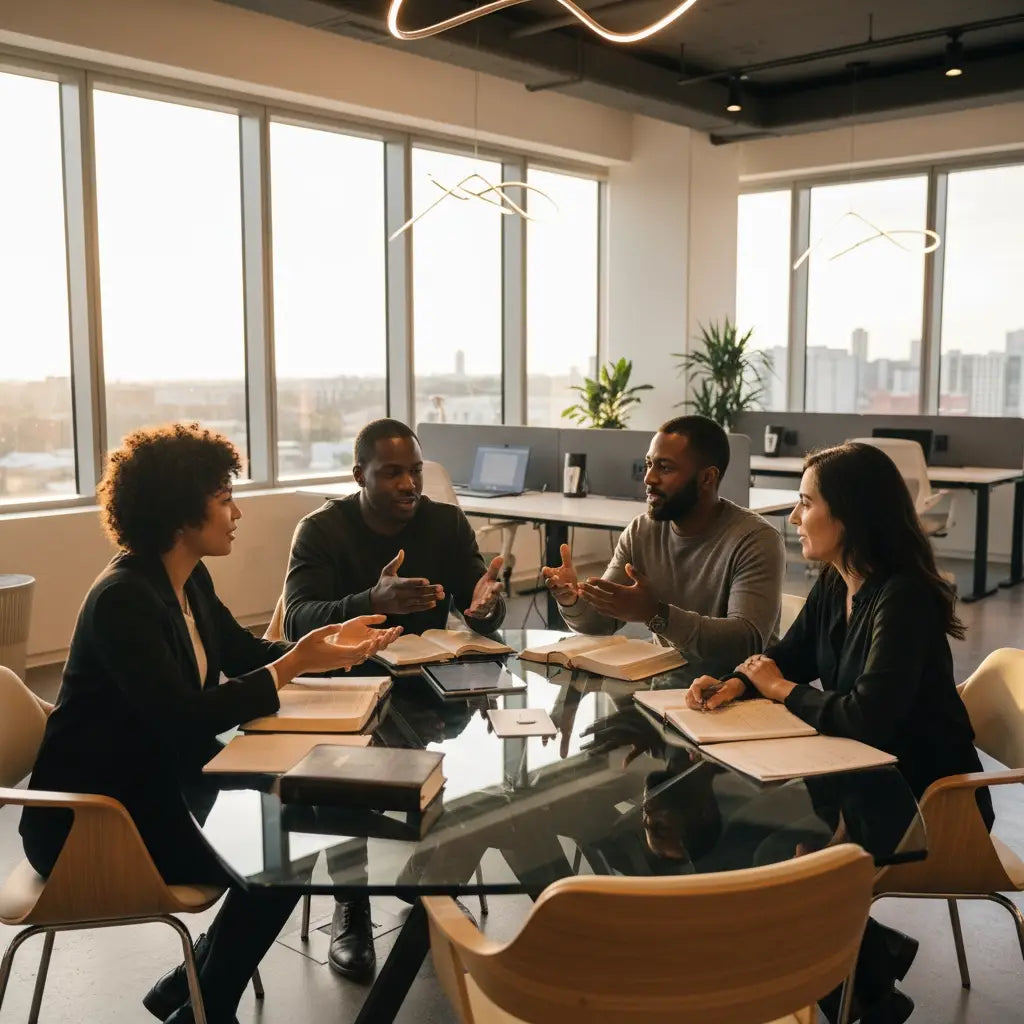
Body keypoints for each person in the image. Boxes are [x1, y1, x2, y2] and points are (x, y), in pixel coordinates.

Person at [19, 424, 400, 1024]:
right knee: (283, 851)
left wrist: (319, 646)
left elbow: (242, 655)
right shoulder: (125, 598)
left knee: (292, 828)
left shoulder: (187, 576)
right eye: (224, 499)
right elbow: (181, 717)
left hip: (153, 791)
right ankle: (203, 1003)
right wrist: (294, 666)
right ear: (179, 511)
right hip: (92, 824)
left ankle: (193, 990)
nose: (237, 511)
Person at [688, 441, 993, 1024]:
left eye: (805, 503)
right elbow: (791, 655)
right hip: (864, 774)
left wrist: (779, 690)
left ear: (850, 515)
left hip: (932, 801)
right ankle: (875, 970)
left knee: (781, 862)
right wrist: (740, 683)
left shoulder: (902, 596)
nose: (793, 517)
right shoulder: (839, 579)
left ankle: (870, 988)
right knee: (758, 847)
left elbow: (864, 715)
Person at [282, 417, 505, 981]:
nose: (410, 484)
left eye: (415, 471)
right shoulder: (321, 530)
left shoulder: (446, 523)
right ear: (359, 475)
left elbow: (482, 603)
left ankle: (427, 881)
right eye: (392, 473)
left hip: (428, 687)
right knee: (346, 775)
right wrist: (369, 600)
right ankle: (351, 906)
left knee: (482, 763)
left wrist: (485, 607)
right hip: (344, 682)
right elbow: (296, 621)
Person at [542, 415, 785, 681]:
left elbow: (746, 641)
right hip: (666, 681)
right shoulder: (641, 531)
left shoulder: (755, 539)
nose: (648, 478)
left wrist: (655, 613)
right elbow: (599, 621)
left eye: (665, 468)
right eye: (649, 464)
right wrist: (572, 599)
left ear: (707, 478)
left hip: (736, 689)